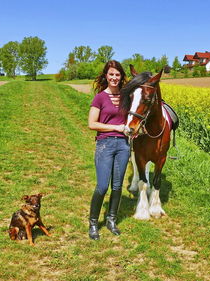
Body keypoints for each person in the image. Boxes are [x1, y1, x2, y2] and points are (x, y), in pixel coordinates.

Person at [87, 60, 130, 240]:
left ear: (121, 77)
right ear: (106, 75)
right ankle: (94, 223)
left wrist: (129, 129)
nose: (114, 77)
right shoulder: (100, 97)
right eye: (111, 74)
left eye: (117, 74)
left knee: (118, 186)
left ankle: (111, 220)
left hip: (123, 145)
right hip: (105, 144)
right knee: (103, 185)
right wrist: (116, 128)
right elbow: (92, 124)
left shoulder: (126, 97)